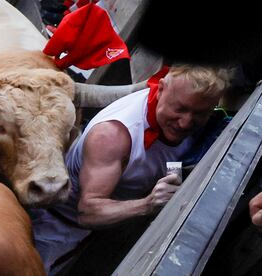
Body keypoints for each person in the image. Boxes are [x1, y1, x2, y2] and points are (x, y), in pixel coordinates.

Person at [28, 64, 231, 273]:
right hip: (57, 229)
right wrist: (148, 204)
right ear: (160, 89)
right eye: (179, 109)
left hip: (113, 230)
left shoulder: (200, 114)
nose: (185, 123)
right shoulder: (112, 136)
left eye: (200, 113)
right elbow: (87, 212)